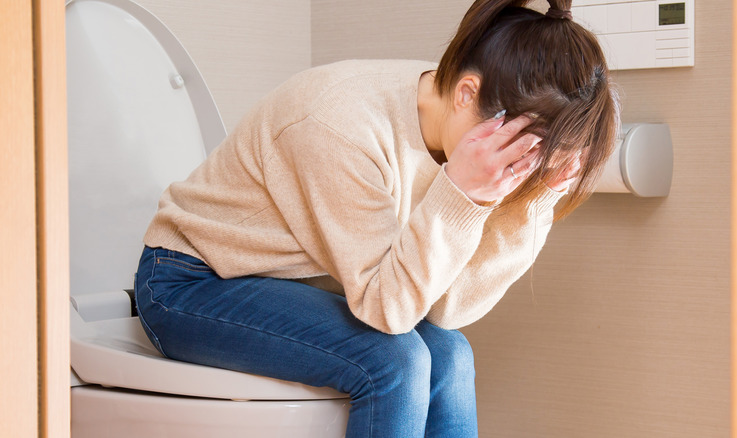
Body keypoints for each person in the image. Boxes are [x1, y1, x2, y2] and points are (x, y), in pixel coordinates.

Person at [134, 0, 619, 436]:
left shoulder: (460, 119)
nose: (516, 173)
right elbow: (390, 313)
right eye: (520, 156)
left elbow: (447, 310)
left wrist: (536, 200)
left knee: (451, 356)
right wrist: (462, 193)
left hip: (303, 285)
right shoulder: (340, 126)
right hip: (191, 282)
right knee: (396, 362)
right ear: (469, 94)